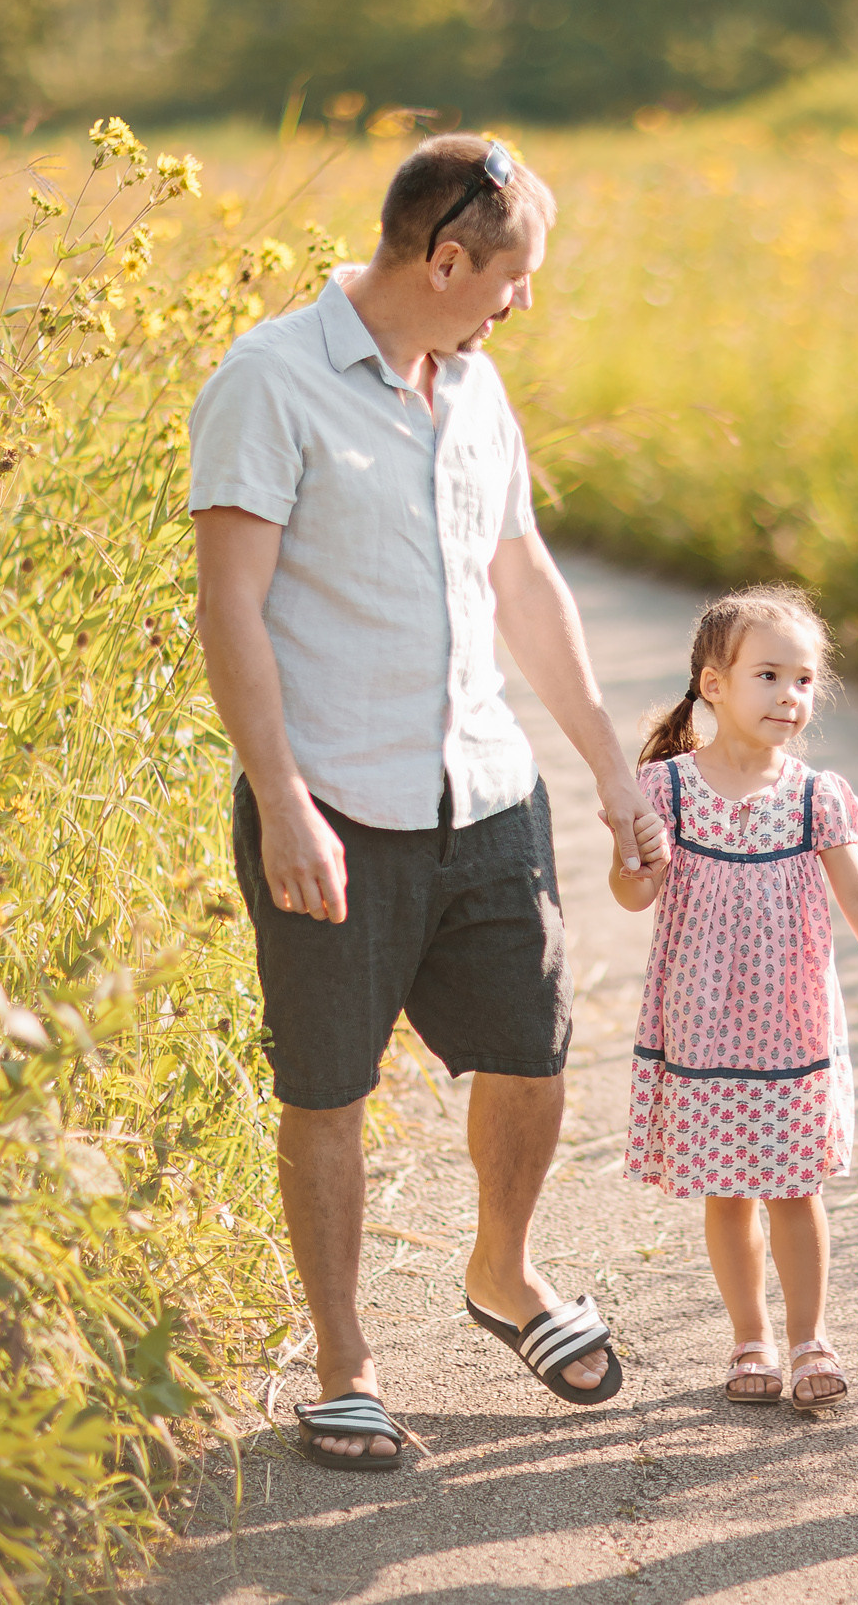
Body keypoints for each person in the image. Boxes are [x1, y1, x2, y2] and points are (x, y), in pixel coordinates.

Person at [190, 135, 669, 1470]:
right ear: (447, 260)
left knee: (532, 1051)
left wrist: (607, 764)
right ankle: (345, 1359)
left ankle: (502, 1271)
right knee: (328, 1086)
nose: (525, 299)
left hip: (486, 790)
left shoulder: (475, 385)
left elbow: (523, 577)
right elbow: (229, 607)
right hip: (335, 800)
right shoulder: (268, 380)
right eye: (514, 275)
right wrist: (282, 799)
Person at [610, 586, 858, 1413]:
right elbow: (634, 895)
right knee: (727, 1190)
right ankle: (749, 1336)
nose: (790, 694)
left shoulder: (815, 795)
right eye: (769, 675)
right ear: (714, 684)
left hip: (792, 1026)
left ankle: (810, 1336)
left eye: (804, 679)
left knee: (795, 1187)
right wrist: (632, 857)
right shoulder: (668, 789)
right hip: (705, 1027)